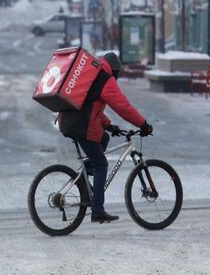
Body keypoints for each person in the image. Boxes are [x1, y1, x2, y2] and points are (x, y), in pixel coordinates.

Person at [57, 52, 153, 224]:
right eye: (117, 74)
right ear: (114, 70)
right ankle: (97, 210)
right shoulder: (105, 79)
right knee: (101, 165)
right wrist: (142, 124)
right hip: (82, 126)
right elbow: (123, 107)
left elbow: (90, 108)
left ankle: (82, 183)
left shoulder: (92, 75)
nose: (116, 78)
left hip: (70, 122)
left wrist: (109, 126)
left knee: (103, 139)